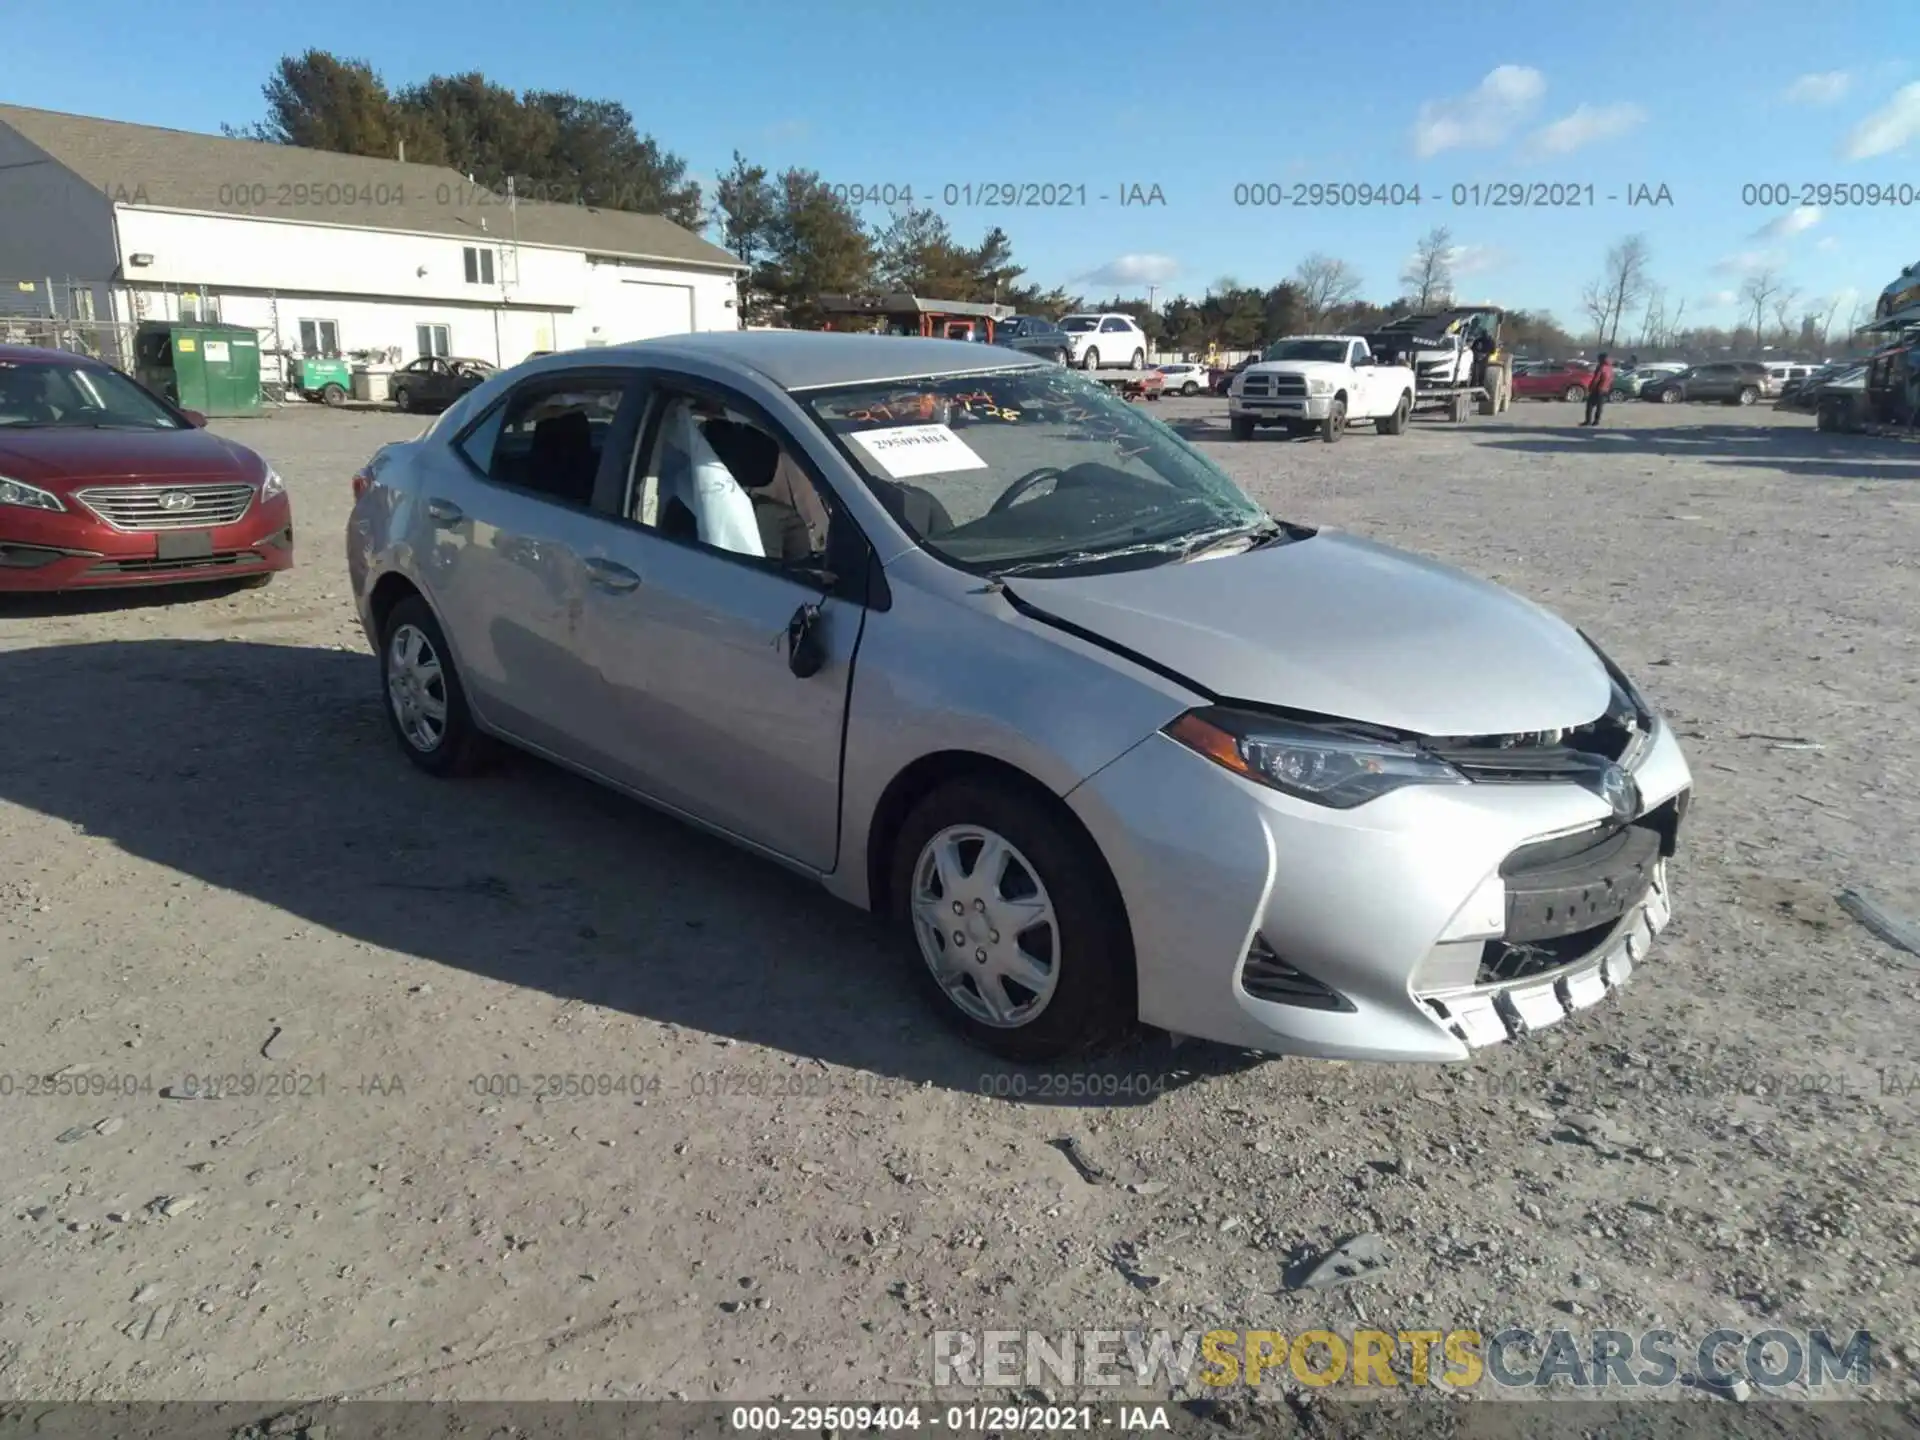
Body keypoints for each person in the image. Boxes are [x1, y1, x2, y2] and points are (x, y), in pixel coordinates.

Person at [1581, 352, 1614, 426]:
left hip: (1598, 389)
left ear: (1601, 359)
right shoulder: (1610, 368)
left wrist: (1591, 387)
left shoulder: (1601, 367)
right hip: (1605, 389)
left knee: (1589, 405)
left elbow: (1596, 379)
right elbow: (1611, 379)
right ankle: (1596, 421)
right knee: (1600, 406)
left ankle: (1588, 421)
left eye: (1599, 358)